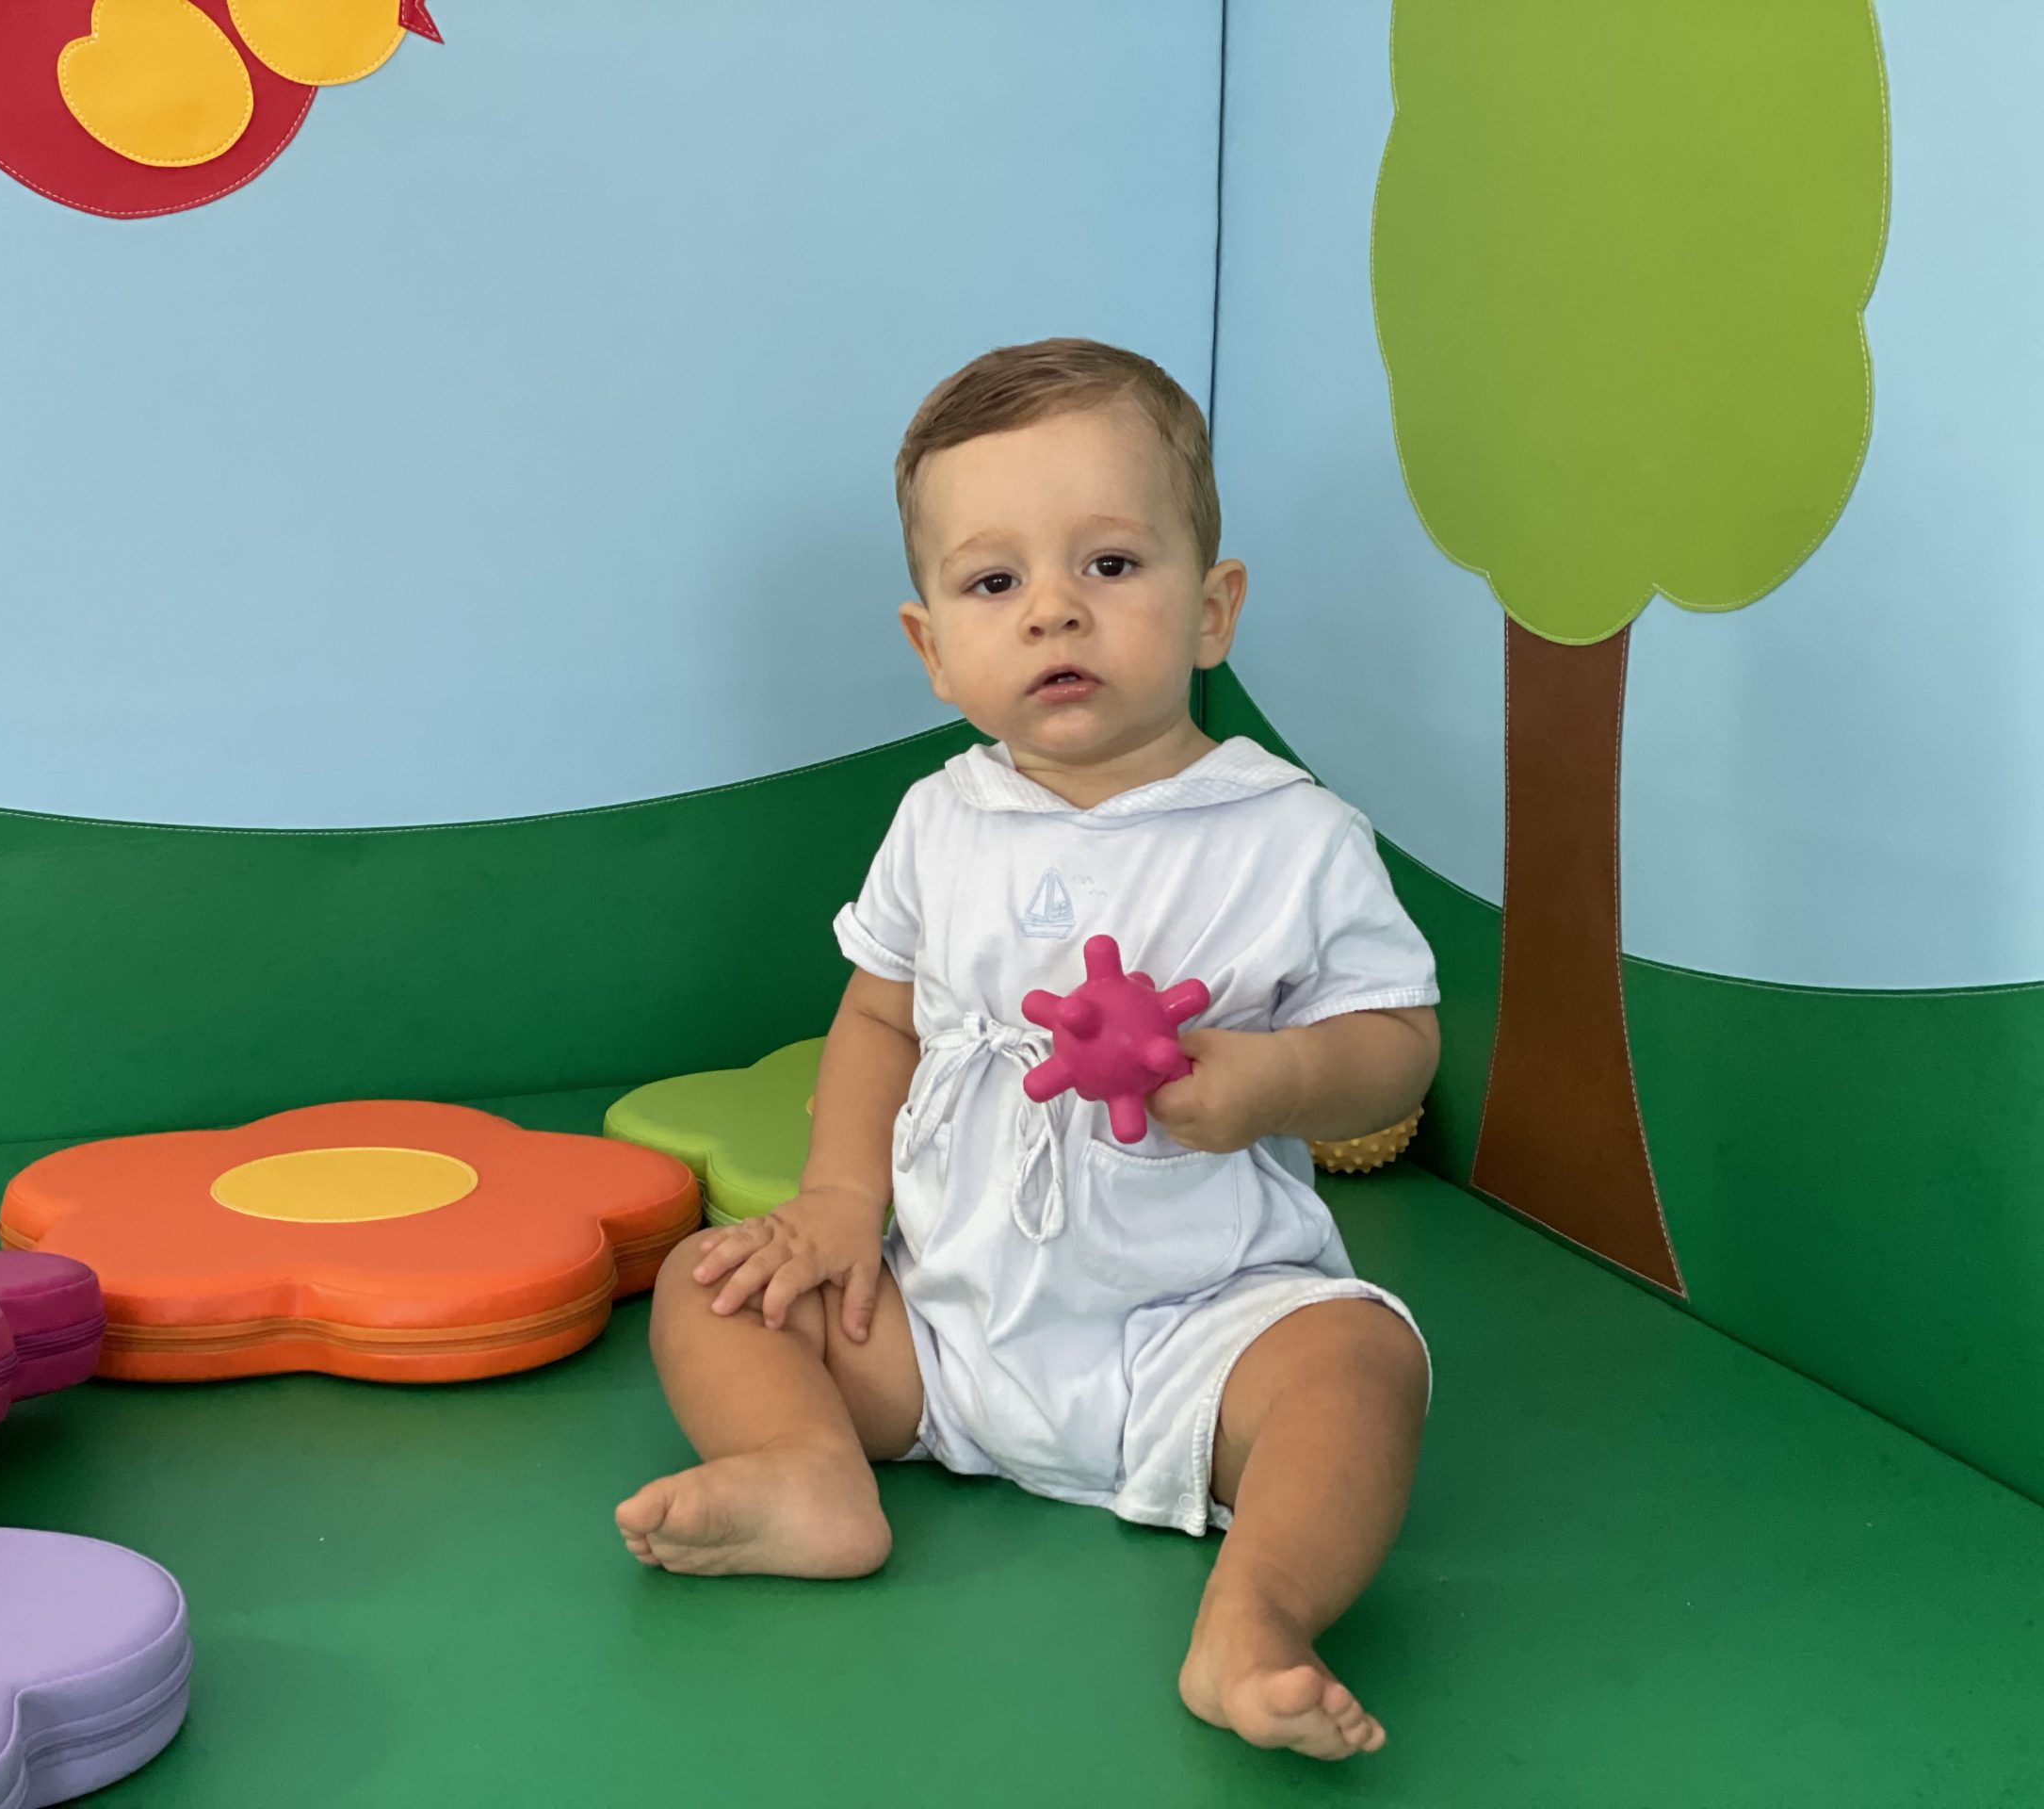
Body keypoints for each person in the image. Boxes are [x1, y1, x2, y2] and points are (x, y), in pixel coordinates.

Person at [615, 339, 1440, 1761]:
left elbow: (1399, 1042)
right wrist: (835, 1206)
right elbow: (880, 1016)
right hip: (942, 1327)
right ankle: (809, 1474)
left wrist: (1276, 1081)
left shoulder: (1291, 836)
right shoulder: (943, 822)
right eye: (994, 584)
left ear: (1212, 610)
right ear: (933, 647)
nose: (1055, 608)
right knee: (712, 1283)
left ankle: (1257, 1616)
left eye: (1110, 564)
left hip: (1200, 1328)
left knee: (1362, 1367)